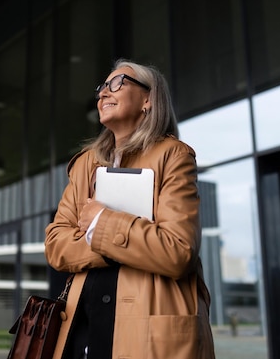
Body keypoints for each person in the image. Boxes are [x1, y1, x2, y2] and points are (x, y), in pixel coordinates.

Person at [45, 58, 216, 359]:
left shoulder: (173, 156)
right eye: (101, 88)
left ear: (148, 99)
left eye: (117, 83)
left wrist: (99, 224)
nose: (102, 93)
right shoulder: (85, 163)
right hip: (81, 329)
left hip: (150, 334)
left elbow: (177, 252)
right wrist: (135, 242)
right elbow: (57, 245)